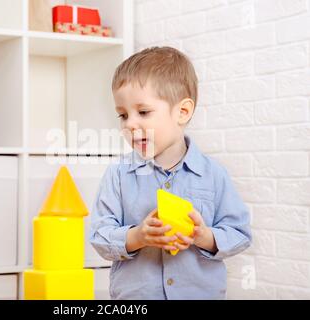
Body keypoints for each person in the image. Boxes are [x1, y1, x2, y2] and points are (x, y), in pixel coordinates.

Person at [90, 47, 252, 300]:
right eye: (122, 115)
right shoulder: (118, 175)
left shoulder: (214, 175)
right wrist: (137, 236)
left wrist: (204, 236)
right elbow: (99, 237)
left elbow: (239, 233)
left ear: (182, 112)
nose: (130, 124)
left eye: (143, 112)